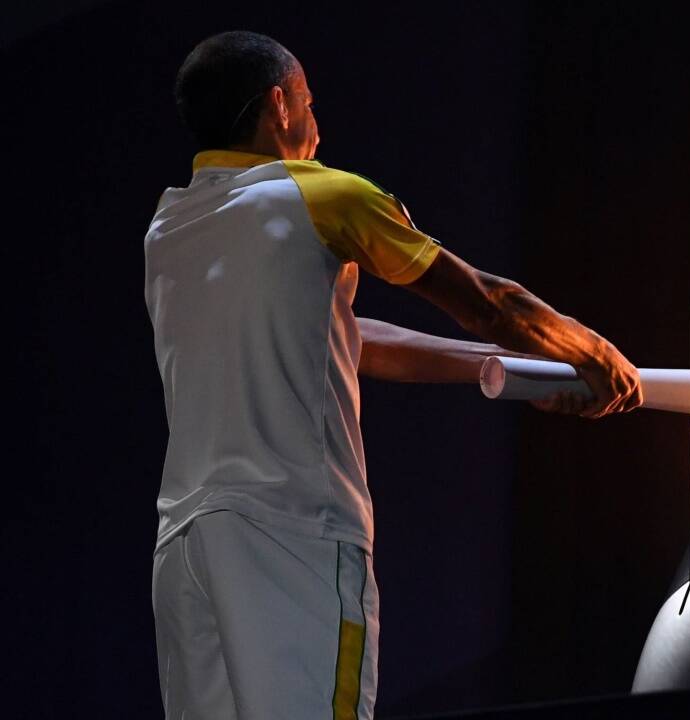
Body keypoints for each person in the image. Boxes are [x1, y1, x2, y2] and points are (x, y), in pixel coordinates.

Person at [145, 30, 641, 719]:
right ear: (280, 106)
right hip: (295, 533)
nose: (318, 126)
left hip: (187, 547)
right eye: (310, 104)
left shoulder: (170, 228)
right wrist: (588, 349)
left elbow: (344, 339)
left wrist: (512, 370)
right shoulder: (324, 196)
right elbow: (486, 300)